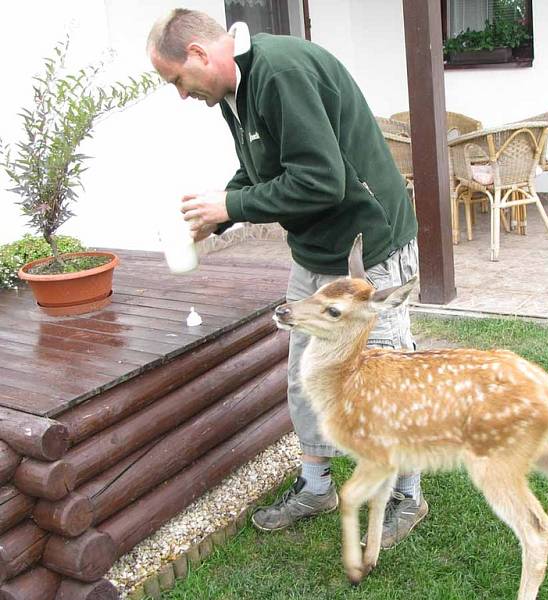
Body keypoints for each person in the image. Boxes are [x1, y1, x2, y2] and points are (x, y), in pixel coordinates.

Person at [147, 9, 426, 549]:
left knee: (383, 378)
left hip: (365, 246)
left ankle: (407, 496)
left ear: (200, 56)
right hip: (314, 248)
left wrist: (233, 204)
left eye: (177, 80)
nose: (181, 95)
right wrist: (220, 210)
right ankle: (317, 485)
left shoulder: (280, 72)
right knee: (306, 370)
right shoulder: (236, 87)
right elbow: (262, 170)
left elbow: (321, 180)